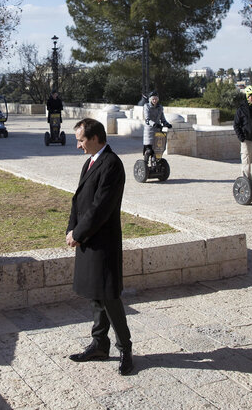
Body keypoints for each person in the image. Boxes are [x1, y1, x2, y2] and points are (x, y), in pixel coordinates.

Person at [66, 117, 133, 376]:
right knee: (95, 295)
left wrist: (79, 233)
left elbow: (100, 208)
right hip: (88, 239)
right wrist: (71, 229)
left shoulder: (112, 165)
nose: (78, 146)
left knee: (109, 297)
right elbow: (79, 200)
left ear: (95, 138)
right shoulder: (91, 161)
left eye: (81, 140)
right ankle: (99, 344)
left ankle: (125, 348)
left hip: (102, 242)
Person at [142, 91, 172, 160]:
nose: (154, 100)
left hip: (157, 131)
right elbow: (147, 119)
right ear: (150, 100)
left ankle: (155, 164)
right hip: (149, 131)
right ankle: (145, 163)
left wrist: (167, 124)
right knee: (148, 151)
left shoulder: (160, 108)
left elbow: (162, 118)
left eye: (156, 99)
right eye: (153, 99)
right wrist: (154, 124)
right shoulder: (146, 106)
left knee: (156, 151)